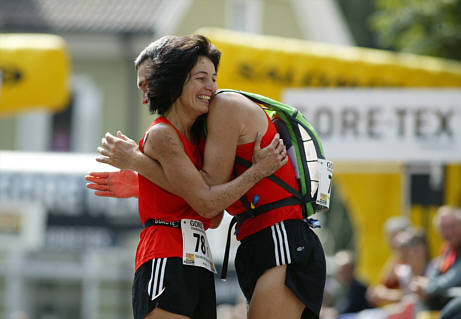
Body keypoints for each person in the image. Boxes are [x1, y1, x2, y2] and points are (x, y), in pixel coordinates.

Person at [89, 34, 326, 319]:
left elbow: (208, 203)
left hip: (274, 235)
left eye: (149, 80)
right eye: (202, 78)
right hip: (246, 242)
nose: (210, 87)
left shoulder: (220, 110)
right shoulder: (191, 134)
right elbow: (207, 201)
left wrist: (140, 164)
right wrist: (145, 180)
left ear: (170, 76)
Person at [410, 206, 461, 319]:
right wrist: (423, 284)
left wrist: (428, 287)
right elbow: (435, 274)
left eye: (453, 226)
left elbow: (454, 278)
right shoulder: (447, 251)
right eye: (444, 228)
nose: (449, 232)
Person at [321, 250, 372, 319]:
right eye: (339, 268)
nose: (341, 271)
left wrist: (334, 313)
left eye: (345, 268)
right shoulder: (333, 287)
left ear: (352, 269)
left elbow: (349, 309)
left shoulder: (360, 288)